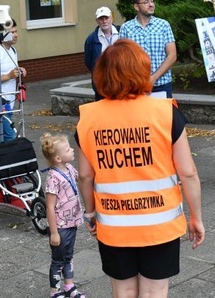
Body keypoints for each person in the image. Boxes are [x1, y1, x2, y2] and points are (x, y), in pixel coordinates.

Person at [76, 39, 204, 298]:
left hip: (113, 223)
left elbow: (85, 176)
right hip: (160, 223)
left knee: (122, 290)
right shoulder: (166, 113)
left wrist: (90, 213)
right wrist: (196, 217)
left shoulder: (88, 118)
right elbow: (188, 173)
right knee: (155, 290)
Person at [41, 133, 85, 298]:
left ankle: (69, 286)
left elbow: (81, 178)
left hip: (72, 222)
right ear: (58, 158)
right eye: (68, 149)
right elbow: (50, 207)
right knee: (58, 260)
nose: (72, 149)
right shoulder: (53, 178)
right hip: (60, 226)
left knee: (69, 256)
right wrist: (54, 232)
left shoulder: (69, 169)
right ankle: (55, 291)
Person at [119, 0, 177, 97]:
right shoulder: (126, 28)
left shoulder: (163, 25)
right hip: (136, 86)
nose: (151, 5)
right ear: (136, 6)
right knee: (139, 115)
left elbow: (172, 55)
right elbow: (122, 60)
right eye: (146, 2)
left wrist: (153, 78)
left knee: (163, 114)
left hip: (162, 84)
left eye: (152, 1)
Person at [0, 21, 27, 142]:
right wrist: (8, 76)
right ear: (2, 34)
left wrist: (19, 70)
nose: (15, 35)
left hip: (9, 103)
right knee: (10, 138)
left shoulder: (12, 50)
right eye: (11, 32)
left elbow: (10, 70)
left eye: (16, 31)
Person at [84, 6, 119, 100]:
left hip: (120, 79)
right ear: (97, 20)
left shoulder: (122, 32)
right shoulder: (91, 39)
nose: (104, 21)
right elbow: (88, 61)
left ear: (111, 18)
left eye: (106, 18)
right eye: (101, 18)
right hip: (102, 82)